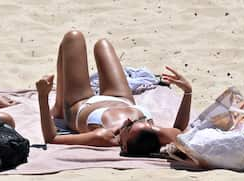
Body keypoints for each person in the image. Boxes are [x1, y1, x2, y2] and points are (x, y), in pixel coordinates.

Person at [35, 31, 192, 154]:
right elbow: (179, 129)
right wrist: (188, 92)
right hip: (121, 98)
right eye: (139, 121)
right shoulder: (156, 134)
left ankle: (59, 107)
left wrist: (43, 96)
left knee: (73, 38)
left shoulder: (104, 136)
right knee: (103, 45)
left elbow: (52, 138)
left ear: (122, 145)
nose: (130, 119)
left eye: (128, 126)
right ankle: (60, 105)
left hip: (81, 103)